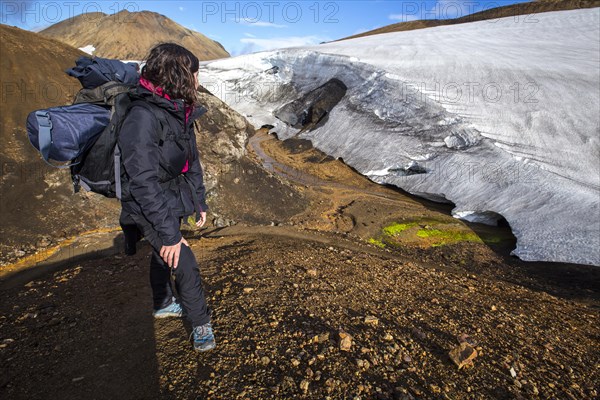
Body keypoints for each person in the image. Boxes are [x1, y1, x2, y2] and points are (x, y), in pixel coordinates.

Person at [117, 43, 215, 352]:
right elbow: (142, 181)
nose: (198, 80)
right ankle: (201, 324)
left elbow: (191, 158)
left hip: (167, 193)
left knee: (163, 254)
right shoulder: (143, 117)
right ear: (181, 75)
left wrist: (198, 201)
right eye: (195, 73)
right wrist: (171, 235)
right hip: (143, 200)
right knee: (181, 257)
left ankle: (161, 302)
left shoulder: (176, 107)